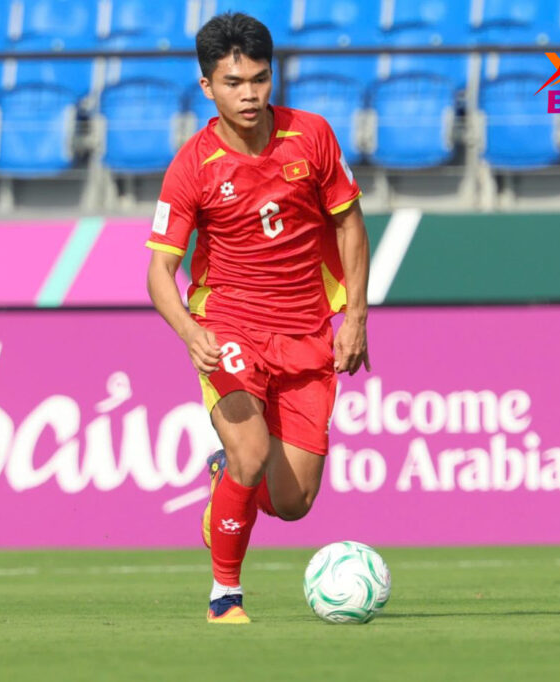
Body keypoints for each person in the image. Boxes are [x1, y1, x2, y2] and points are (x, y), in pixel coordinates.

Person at [145, 12, 371, 624]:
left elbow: (349, 223)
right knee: (250, 451)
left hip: (305, 331)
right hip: (230, 326)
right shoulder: (192, 165)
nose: (249, 94)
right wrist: (191, 332)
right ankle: (225, 596)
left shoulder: (312, 136)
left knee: (294, 503)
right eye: (233, 82)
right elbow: (158, 272)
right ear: (207, 86)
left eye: (260, 79)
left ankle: (225, 477)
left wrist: (354, 316)